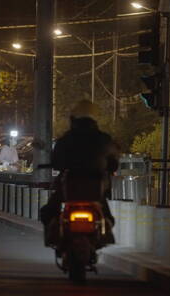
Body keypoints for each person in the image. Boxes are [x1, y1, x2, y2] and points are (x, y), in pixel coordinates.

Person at [40, 100, 118, 246]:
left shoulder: (65, 139)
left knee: (48, 212)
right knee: (107, 215)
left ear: (74, 118)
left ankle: (53, 239)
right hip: (95, 187)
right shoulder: (104, 139)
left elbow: (56, 160)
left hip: (70, 185)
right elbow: (113, 162)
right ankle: (104, 236)